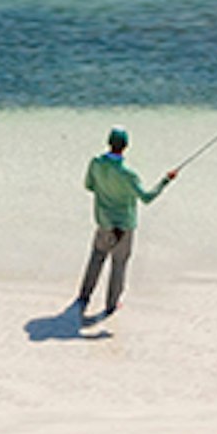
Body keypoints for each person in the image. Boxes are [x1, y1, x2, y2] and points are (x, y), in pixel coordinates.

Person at [72, 126, 174, 326]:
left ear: (109, 142)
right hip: (124, 227)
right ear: (126, 146)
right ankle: (111, 304)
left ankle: (84, 296)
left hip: (103, 222)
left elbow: (89, 186)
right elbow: (146, 198)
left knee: (96, 258)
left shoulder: (95, 163)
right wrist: (165, 180)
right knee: (118, 265)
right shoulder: (129, 174)